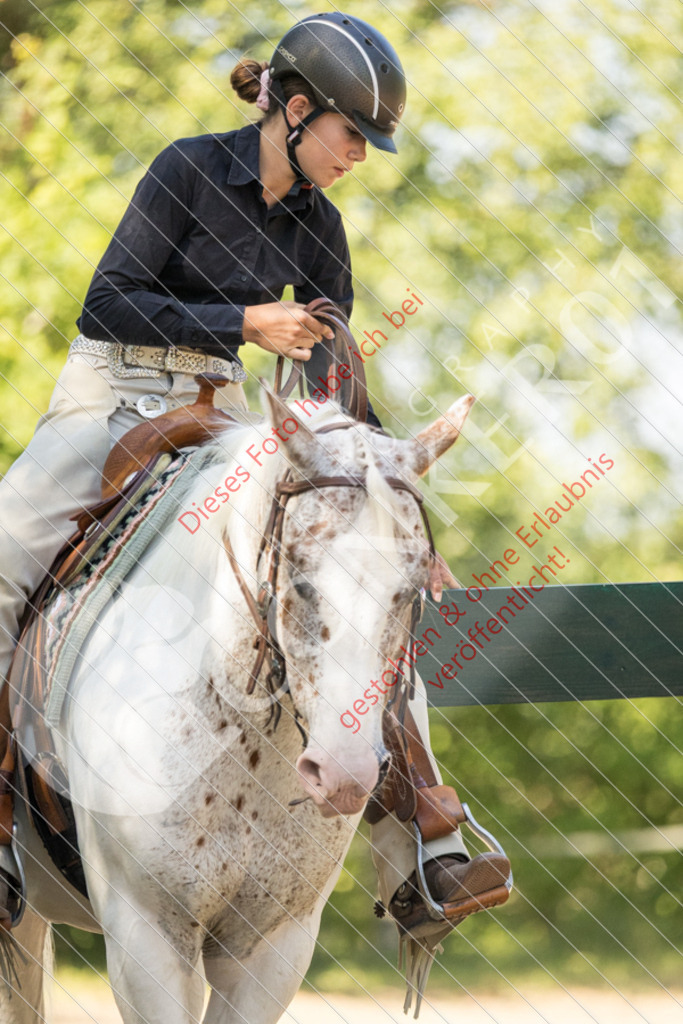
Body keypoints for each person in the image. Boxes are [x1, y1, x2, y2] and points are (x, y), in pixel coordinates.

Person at [0, 12, 510, 939]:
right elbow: (107, 299)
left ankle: (427, 845)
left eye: (370, 141)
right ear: (299, 109)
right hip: (109, 400)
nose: (361, 153)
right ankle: (0, 826)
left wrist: (386, 516)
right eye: (354, 133)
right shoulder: (187, 167)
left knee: (364, 594)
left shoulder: (324, 226)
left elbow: (332, 383)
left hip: (226, 418)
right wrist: (243, 322)